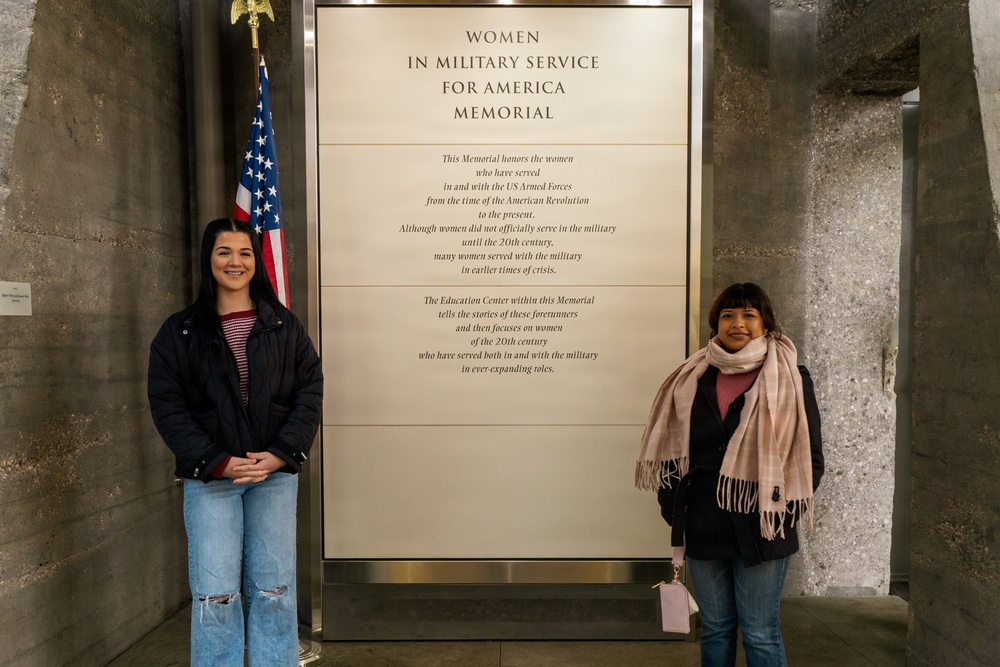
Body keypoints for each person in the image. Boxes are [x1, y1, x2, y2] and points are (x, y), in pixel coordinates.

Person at [147, 218, 323, 667]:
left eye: (244, 252)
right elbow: (168, 405)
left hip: (273, 478)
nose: (235, 261)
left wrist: (282, 453)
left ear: (255, 262)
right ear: (209, 259)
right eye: (224, 251)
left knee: (274, 591)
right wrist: (214, 461)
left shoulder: (284, 325)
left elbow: (310, 390)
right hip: (211, 481)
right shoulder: (180, 331)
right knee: (216, 596)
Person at [635, 282, 823, 667]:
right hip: (702, 522)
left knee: (760, 632)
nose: (738, 323)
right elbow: (674, 454)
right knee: (717, 627)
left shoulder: (790, 377)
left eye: (749, 315)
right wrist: (675, 509)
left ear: (765, 324)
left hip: (763, 525)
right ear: (715, 324)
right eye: (728, 315)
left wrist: (781, 516)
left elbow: (811, 457)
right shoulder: (692, 378)